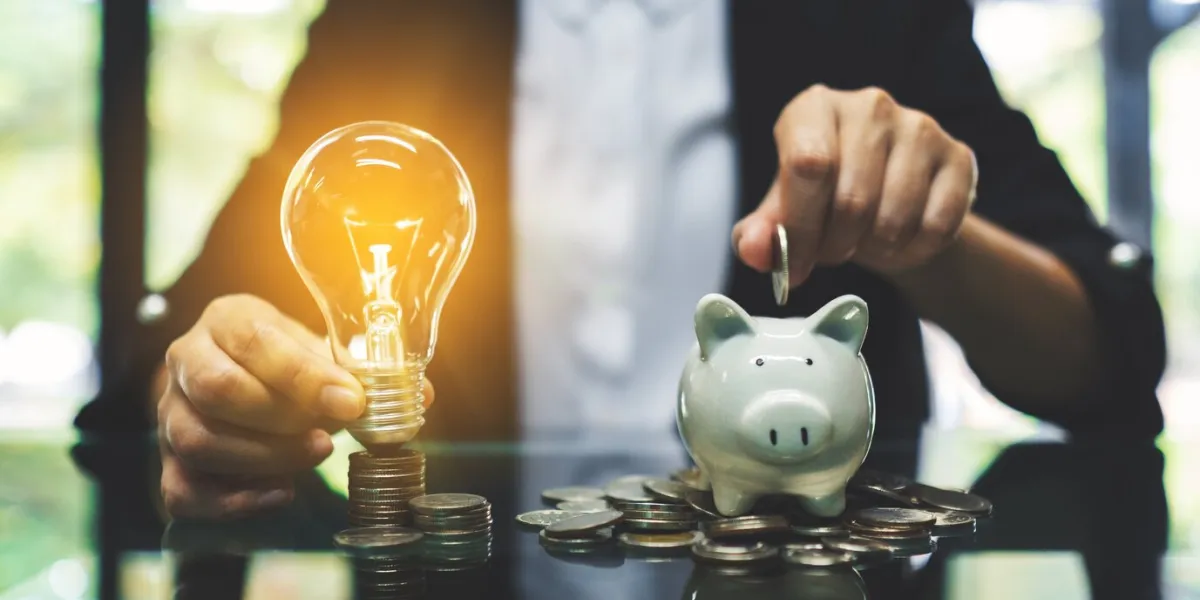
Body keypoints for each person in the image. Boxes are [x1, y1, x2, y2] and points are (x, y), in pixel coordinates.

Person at [76, 0, 1166, 519]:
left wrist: (926, 238)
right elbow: (172, 358)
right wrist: (214, 379)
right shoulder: (393, 22)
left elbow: (1111, 356)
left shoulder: (864, 14)